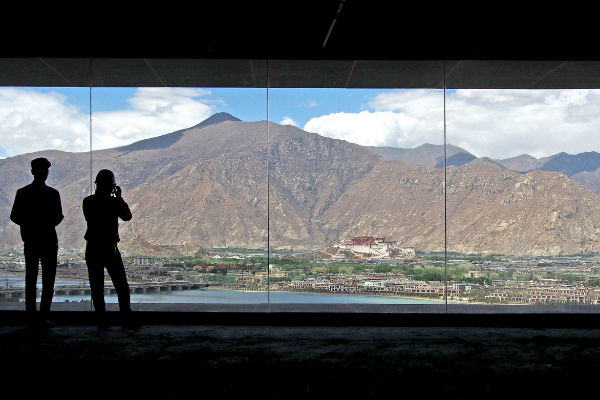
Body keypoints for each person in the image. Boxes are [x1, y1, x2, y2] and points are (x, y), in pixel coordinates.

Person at [83, 169, 140, 330]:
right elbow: (127, 216)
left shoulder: (88, 202)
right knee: (121, 286)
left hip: (93, 247)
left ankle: (102, 321)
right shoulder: (113, 203)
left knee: (97, 287)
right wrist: (119, 198)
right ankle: (126, 319)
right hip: (109, 248)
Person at [10, 157, 63, 327]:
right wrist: (45, 223)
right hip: (48, 241)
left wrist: (29, 224)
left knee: (30, 280)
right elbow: (57, 217)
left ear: (32, 172)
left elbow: (15, 216)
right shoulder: (53, 194)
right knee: (48, 281)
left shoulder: (23, 193)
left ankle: (31, 317)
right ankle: (43, 317)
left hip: (31, 241)